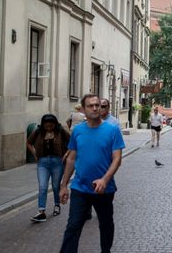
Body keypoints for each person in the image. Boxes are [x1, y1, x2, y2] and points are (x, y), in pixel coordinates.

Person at [59, 94, 125, 253]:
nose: (95, 108)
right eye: (91, 106)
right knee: (73, 226)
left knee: (106, 224)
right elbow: (71, 159)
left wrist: (104, 180)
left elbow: (117, 159)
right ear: (83, 109)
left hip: (104, 189)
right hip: (80, 188)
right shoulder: (78, 131)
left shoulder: (112, 130)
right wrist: (63, 186)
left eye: (98, 105)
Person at [27, 114, 70, 222]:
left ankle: (56, 205)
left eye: (51, 126)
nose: (49, 128)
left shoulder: (60, 131)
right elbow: (28, 143)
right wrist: (35, 154)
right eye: (46, 126)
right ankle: (41, 212)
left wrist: (66, 154)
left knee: (56, 186)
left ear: (55, 124)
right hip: (43, 163)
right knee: (42, 186)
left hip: (58, 162)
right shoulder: (38, 131)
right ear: (43, 125)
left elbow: (72, 142)